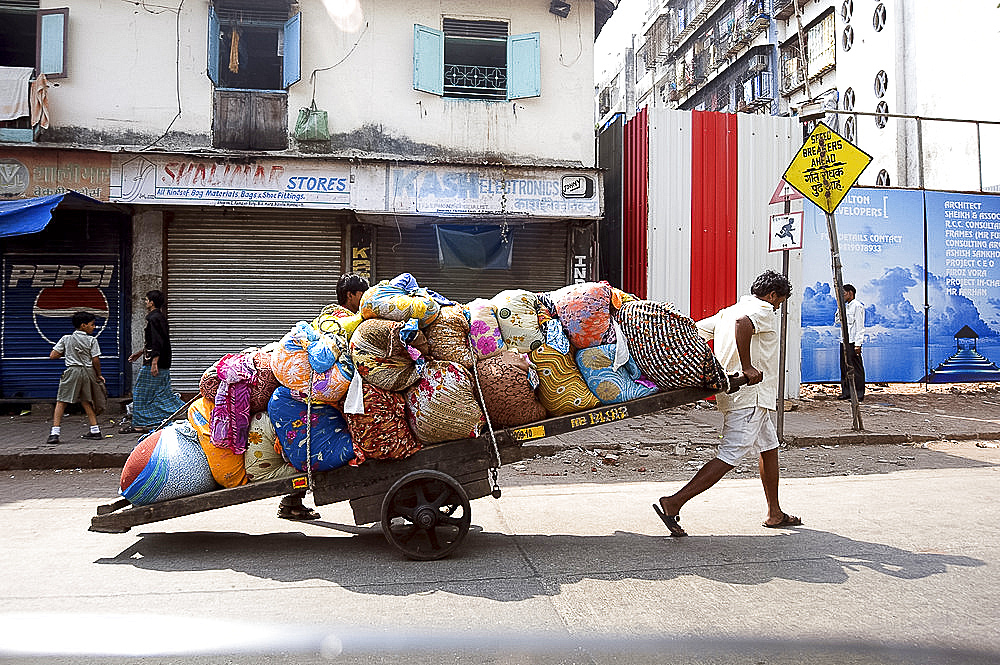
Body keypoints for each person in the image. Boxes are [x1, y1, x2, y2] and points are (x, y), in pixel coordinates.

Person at [653, 270, 801, 536]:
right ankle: (673, 502)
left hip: (742, 394)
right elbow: (744, 324)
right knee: (730, 454)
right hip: (750, 396)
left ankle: (775, 512)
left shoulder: (727, 311)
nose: (778, 307)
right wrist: (747, 366)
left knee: (769, 447)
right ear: (772, 295)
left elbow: (694, 330)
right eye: (779, 301)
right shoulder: (762, 310)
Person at [277, 272, 370, 521]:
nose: (365, 298)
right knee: (330, 444)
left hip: (320, 393)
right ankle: (293, 498)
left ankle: (292, 500)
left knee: (317, 444)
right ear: (350, 295)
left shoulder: (326, 318)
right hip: (325, 394)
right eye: (362, 293)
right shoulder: (346, 320)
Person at [122, 290, 185, 434]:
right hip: (161, 361)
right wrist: (139, 353)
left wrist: (154, 363)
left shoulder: (154, 318)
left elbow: (158, 342)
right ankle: (181, 413)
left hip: (155, 362)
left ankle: (140, 424)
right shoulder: (159, 317)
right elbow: (154, 341)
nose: (145, 302)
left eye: (146, 300)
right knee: (162, 393)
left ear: (152, 302)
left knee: (140, 392)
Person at [48, 311, 105, 443]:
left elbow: (53, 355)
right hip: (88, 372)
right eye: (92, 324)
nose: (94, 327)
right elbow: (95, 360)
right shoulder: (92, 340)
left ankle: (54, 433)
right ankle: (95, 430)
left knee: (61, 401)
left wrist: (68, 353)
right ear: (83, 325)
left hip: (72, 371)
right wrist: (99, 374)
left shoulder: (66, 339)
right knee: (86, 401)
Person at [836, 283, 866, 401]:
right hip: (843, 340)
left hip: (853, 341)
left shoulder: (857, 306)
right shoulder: (845, 306)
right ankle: (846, 392)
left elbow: (860, 326)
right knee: (844, 367)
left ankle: (859, 394)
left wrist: (858, 344)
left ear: (850, 293)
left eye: (843, 294)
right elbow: (838, 321)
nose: (842, 296)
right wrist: (840, 308)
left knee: (856, 368)